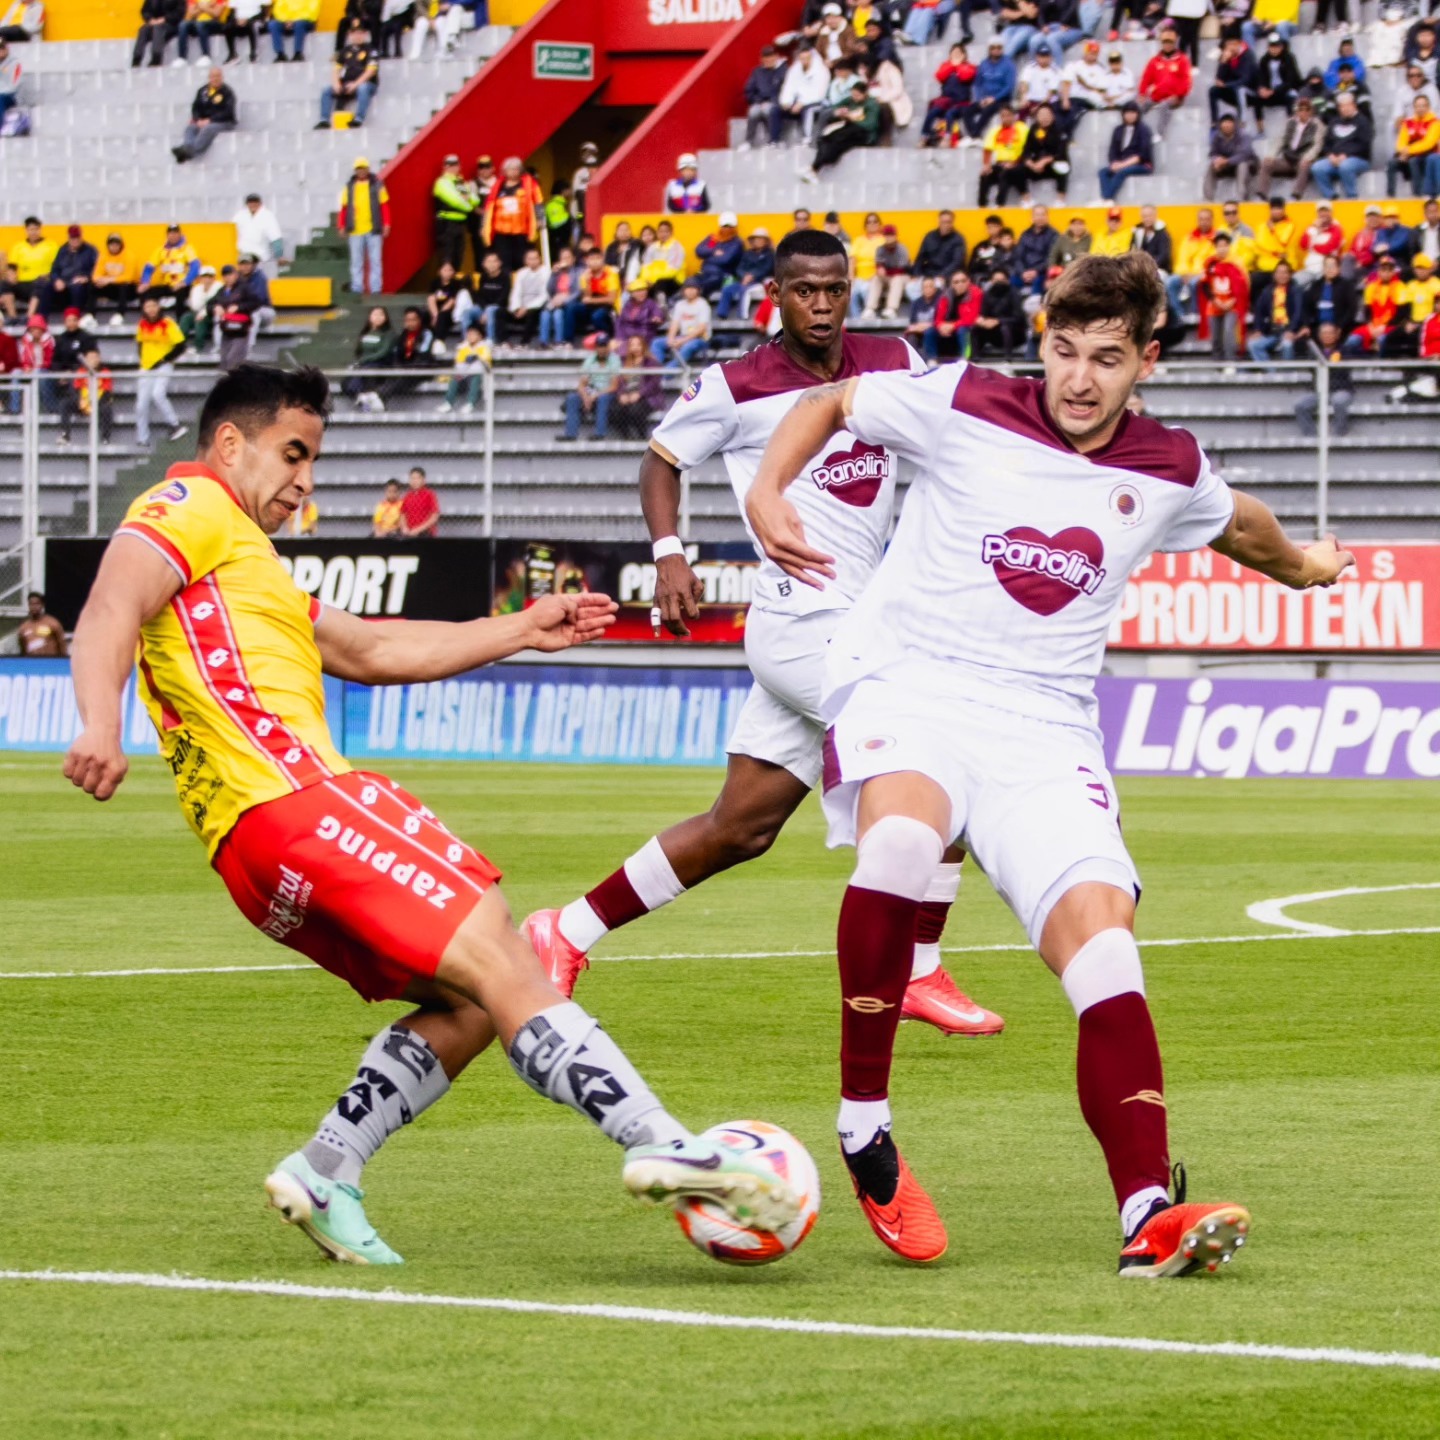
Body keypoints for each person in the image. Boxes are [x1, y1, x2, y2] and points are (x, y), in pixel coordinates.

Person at [64, 364, 798, 1266]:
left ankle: (328, 1167)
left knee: (470, 1003)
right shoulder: (192, 501)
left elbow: (371, 647)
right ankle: (661, 1142)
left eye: (314, 460)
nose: (305, 481)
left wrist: (522, 627)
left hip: (256, 863)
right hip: (297, 800)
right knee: (509, 956)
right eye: (293, 455)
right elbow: (108, 604)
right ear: (229, 443)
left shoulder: (247, 567)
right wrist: (99, 724)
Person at [744, 250, 1353, 1269]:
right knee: (900, 841)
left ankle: (1146, 1214)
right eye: (1064, 351)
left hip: (1046, 727)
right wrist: (769, 489)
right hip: (911, 681)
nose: (1078, 378)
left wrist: (1305, 568)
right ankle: (862, 1122)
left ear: (1145, 361)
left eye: (1106, 359)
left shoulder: (1168, 466)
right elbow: (837, 402)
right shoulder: (963, 397)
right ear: (1043, 345)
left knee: (1108, 950)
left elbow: (1240, 524)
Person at [525, 230, 1000, 1041]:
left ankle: (562, 932)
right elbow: (661, 458)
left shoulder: (894, 360)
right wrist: (670, 554)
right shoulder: (736, 384)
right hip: (800, 621)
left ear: (852, 290)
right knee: (942, 751)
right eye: (804, 290)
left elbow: (952, 439)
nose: (821, 305)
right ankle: (918, 971)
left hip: (864, 619)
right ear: (774, 295)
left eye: (834, 289)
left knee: (738, 827)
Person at [134, 293, 189, 448]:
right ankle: (142, 438)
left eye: (153, 305)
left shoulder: (168, 323)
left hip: (163, 365)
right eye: (147, 306)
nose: (151, 309)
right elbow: (139, 344)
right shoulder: (142, 324)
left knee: (158, 393)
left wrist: (165, 359)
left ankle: (175, 424)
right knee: (141, 405)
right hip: (146, 367)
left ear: (159, 307)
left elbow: (181, 345)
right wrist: (145, 360)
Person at [805, 76, 881, 176]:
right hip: (850, 128)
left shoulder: (872, 104)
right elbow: (836, 106)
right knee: (826, 140)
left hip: (863, 133)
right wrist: (838, 112)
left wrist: (851, 117)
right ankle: (815, 168)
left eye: (857, 95)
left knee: (839, 139)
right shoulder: (850, 100)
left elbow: (871, 125)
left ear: (864, 94)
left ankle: (814, 168)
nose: (854, 98)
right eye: (853, 95)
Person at [1253, 94, 1324, 201]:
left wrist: (1307, 157)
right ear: (1297, 111)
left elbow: (1317, 145)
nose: (1303, 112)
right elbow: (1280, 140)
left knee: (1305, 165)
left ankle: (1296, 195)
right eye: (1301, 109)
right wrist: (1271, 155)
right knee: (1266, 163)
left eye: (1307, 109)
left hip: (1303, 159)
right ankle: (1262, 194)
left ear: (1311, 111)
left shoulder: (1317, 125)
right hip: (1288, 158)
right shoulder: (1290, 122)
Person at [557, 333, 621, 441]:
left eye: (604, 346)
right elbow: (582, 384)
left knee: (603, 399)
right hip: (592, 391)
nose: (602, 349)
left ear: (608, 347)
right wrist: (586, 396)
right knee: (572, 398)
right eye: (600, 346)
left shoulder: (615, 359)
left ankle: (599, 434)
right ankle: (570, 434)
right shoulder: (590, 359)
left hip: (607, 392)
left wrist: (595, 395)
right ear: (596, 347)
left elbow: (614, 386)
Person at [339, 158, 389, 296]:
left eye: (363, 168)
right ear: (355, 170)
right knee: (356, 261)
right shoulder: (349, 186)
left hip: (374, 229)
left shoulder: (377, 185)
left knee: (375, 261)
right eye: (358, 168)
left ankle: (376, 288)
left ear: (368, 169)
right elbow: (344, 207)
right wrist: (341, 225)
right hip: (355, 229)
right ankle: (357, 287)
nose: (361, 171)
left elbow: (384, 206)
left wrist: (386, 224)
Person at [1311, 92, 1372, 200]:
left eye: (1347, 105)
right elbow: (1326, 143)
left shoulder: (1363, 121)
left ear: (1354, 105)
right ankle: (1330, 196)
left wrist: (1346, 155)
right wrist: (1330, 155)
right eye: (1341, 106)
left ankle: (1352, 196)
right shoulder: (1334, 121)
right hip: (1334, 159)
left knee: (1346, 166)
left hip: (1358, 159)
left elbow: (1364, 144)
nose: (1345, 108)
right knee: (1317, 168)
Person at [1295, 323, 1354, 435]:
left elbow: (1344, 370)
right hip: (1319, 391)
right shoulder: (1314, 352)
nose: (1327, 336)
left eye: (1330, 333)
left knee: (1339, 402)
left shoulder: (1345, 350)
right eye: (1324, 333)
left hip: (1340, 389)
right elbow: (1310, 368)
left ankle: (1339, 435)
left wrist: (1331, 364)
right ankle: (1312, 437)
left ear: (1337, 335)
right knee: (1300, 405)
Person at [317, 23, 379, 128]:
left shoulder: (371, 50)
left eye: (360, 33)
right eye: (354, 33)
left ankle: (358, 119)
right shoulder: (344, 51)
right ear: (350, 35)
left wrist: (355, 84)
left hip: (365, 84)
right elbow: (336, 69)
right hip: (346, 83)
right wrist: (336, 83)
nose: (357, 36)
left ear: (365, 35)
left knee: (363, 88)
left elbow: (370, 71)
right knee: (327, 90)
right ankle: (324, 120)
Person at [173, 65, 237, 163]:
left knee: (209, 128)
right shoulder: (202, 91)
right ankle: (188, 148)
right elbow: (196, 107)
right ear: (209, 78)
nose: (215, 79)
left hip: (224, 122)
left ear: (222, 77)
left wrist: (210, 120)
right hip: (204, 121)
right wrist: (197, 119)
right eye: (213, 76)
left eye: (218, 76)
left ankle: (188, 151)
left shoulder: (227, 92)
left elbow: (228, 112)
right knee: (191, 128)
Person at [1137, 25, 1190, 138]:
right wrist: (1142, 93)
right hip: (1157, 96)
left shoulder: (1182, 60)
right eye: (1165, 42)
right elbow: (1146, 78)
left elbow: (1186, 81)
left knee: (1164, 106)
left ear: (1174, 42)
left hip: (1175, 98)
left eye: (1170, 42)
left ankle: (1160, 133)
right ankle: (1136, 131)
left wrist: (1179, 95)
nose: (1167, 45)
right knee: (1139, 107)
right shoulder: (1155, 61)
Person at [36, 224, 97, 320]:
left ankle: (75, 318)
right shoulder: (62, 250)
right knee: (47, 286)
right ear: (69, 238)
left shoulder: (90, 251)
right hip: (63, 283)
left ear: (81, 237)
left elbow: (96, 269)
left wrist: (86, 277)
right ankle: (42, 318)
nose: (75, 240)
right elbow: (54, 269)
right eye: (73, 238)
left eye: (77, 237)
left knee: (78, 288)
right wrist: (57, 280)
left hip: (80, 284)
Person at [775, 39, 829, 145]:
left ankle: (807, 138)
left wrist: (802, 103)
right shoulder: (794, 69)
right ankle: (774, 140)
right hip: (796, 102)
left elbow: (819, 93)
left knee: (808, 110)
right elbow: (788, 86)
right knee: (775, 110)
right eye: (802, 59)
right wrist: (786, 101)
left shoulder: (822, 71)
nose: (804, 61)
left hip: (816, 102)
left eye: (807, 58)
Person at [1246, 258, 1299, 364]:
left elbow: (1298, 312)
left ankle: (1286, 374)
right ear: (1274, 275)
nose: (1282, 275)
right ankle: (1272, 373)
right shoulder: (1267, 291)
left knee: (1287, 344)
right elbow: (1259, 312)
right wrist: (1258, 330)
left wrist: (1292, 330)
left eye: (1285, 272)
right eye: (1279, 272)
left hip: (1288, 330)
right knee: (1252, 344)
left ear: (1290, 275)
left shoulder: (1296, 291)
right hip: (1272, 332)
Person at [651, 277, 711, 368]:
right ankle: (656, 369)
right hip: (683, 336)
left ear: (698, 290)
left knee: (687, 347)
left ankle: (665, 374)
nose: (690, 291)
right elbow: (675, 324)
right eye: (688, 288)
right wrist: (670, 338)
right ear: (683, 290)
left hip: (700, 339)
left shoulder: (702, 304)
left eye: (693, 288)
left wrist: (682, 341)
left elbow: (701, 329)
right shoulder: (680, 304)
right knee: (656, 343)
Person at [431, 153, 477, 272]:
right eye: (449, 165)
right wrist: (469, 206)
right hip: (446, 224)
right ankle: (444, 287)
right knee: (447, 257)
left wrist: (467, 201)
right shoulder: (442, 182)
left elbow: (475, 199)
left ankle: (455, 284)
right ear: (444, 167)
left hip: (460, 224)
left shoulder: (459, 182)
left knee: (458, 256)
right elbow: (456, 201)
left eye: (455, 165)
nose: (453, 168)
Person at [611, 333, 662, 439]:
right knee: (615, 410)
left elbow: (653, 384)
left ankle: (642, 436)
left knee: (635, 410)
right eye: (632, 345)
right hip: (628, 394)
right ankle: (626, 436)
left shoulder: (651, 362)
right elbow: (620, 382)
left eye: (638, 345)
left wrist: (639, 394)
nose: (635, 348)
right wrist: (622, 394)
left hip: (647, 397)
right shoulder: (624, 362)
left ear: (643, 346)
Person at [1389, 93, 1440, 199]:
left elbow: (1428, 143)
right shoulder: (1408, 123)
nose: (1420, 109)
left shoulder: (1435, 123)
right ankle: (1390, 195)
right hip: (1409, 154)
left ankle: (1417, 195)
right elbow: (1400, 142)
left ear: (1428, 107)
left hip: (1427, 154)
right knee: (1391, 163)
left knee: (1414, 161)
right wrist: (1403, 151)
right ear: (1414, 108)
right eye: (1418, 106)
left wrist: (1409, 151)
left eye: (1423, 106)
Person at [138, 223, 201, 310]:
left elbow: (195, 267)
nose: (173, 236)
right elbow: (149, 268)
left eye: (175, 233)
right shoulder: (160, 250)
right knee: (145, 292)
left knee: (181, 293)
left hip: (182, 285)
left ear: (180, 234)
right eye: (171, 233)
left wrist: (184, 282)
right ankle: (148, 320)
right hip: (166, 285)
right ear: (167, 235)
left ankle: (180, 321)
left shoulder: (187, 249)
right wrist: (145, 281)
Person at [717, 228, 776, 321]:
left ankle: (742, 315)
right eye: (756, 239)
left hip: (759, 282)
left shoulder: (770, 254)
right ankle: (722, 313)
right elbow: (739, 268)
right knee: (727, 289)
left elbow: (766, 269)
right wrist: (744, 276)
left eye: (761, 239)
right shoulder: (748, 253)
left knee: (744, 291)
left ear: (766, 241)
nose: (758, 241)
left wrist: (752, 276)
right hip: (743, 280)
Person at [978, 103, 1030, 206]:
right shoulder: (995, 130)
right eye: (1003, 116)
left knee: (1005, 173)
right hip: (1000, 163)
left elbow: (1027, 149)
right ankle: (982, 206)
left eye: (1008, 115)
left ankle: (1000, 204)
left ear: (1014, 116)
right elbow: (988, 149)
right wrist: (986, 165)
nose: (1005, 118)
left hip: (1018, 163)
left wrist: (1014, 162)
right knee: (985, 175)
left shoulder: (1022, 128)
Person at [1203, 112, 1257, 201]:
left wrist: (1227, 161)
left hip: (1248, 164)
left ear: (1234, 124)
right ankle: (1208, 199)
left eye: (1229, 123)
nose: (1226, 125)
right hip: (1227, 165)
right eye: (1224, 123)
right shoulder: (1217, 137)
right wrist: (1216, 160)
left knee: (1242, 165)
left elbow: (1245, 154)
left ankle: (1241, 198)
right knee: (1211, 166)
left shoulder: (1244, 136)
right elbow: (1212, 153)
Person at [742, 43, 787, 150]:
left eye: (770, 58)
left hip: (776, 102)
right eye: (765, 58)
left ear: (776, 57)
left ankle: (775, 139)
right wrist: (757, 101)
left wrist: (772, 101)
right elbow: (749, 90)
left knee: (769, 110)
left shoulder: (783, 70)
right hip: (759, 101)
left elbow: (785, 90)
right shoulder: (757, 72)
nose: (768, 61)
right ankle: (748, 141)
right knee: (753, 111)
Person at [972, 267, 1025, 356]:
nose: (999, 283)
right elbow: (983, 313)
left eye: (1002, 280)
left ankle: (1008, 358)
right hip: (993, 332)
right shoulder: (988, 294)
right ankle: (975, 358)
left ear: (1008, 281)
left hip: (1014, 332)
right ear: (991, 281)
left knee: (1005, 328)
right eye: (996, 280)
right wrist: (982, 321)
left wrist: (998, 321)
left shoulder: (1014, 293)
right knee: (975, 328)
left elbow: (1018, 317)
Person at [438, 322, 489, 414]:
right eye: (469, 333)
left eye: (474, 334)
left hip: (478, 375)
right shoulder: (462, 347)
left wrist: (474, 358)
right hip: (464, 374)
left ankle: (470, 403)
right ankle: (448, 403)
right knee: (455, 378)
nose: (470, 336)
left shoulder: (484, 347)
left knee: (476, 378)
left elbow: (484, 362)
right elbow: (459, 363)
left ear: (480, 336)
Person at [863, 224, 910, 320]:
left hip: (903, 277)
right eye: (886, 235)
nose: (888, 238)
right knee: (876, 278)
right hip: (888, 277)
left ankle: (891, 309)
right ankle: (870, 309)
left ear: (895, 236)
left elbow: (902, 269)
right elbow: (878, 264)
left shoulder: (902, 249)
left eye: (891, 235)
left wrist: (885, 271)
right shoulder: (880, 249)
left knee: (897, 279)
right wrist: (879, 269)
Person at [931, 268, 981, 360]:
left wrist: (953, 325)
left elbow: (971, 318)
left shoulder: (975, 293)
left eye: (963, 281)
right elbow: (937, 319)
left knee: (963, 330)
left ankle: (965, 358)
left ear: (969, 281)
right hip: (948, 327)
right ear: (952, 284)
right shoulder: (945, 295)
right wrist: (941, 326)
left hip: (966, 326)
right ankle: (931, 359)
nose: (960, 284)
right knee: (930, 332)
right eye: (956, 282)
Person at [1208, 35, 1257, 127]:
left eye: (1233, 44)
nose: (1231, 47)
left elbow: (1246, 79)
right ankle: (1214, 122)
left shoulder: (1248, 55)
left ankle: (1242, 122)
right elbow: (1219, 78)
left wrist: (1226, 85)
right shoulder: (1228, 57)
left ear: (1239, 44)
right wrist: (1224, 61)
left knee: (1240, 90)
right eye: (1228, 45)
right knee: (1213, 91)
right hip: (1232, 88)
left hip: (1250, 91)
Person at [506, 245, 549, 348]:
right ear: (525, 260)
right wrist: (516, 308)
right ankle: (503, 342)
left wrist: (526, 308)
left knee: (532, 313)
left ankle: (524, 342)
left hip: (537, 307)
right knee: (499, 312)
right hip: (521, 307)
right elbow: (516, 292)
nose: (533, 261)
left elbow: (544, 295)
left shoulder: (546, 272)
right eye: (530, 259)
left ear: (540, 259)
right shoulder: (521, 273)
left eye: (535, 258)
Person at [91, 234, 138, 328]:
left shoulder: (129, 256)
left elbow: (128, 277)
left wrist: (109, 280)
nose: (114, 247)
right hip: (112, 288)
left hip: (130, 289)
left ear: (121, 245)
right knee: (92, 285)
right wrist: (100, 280)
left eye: (117, 244)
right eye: (111, 244)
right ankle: (90, 315)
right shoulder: (103, 256)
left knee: (123, 285)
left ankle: (120, 314)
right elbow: (95, 275)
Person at [694, 213, 744, 300]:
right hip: (706, 272)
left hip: (723, 275)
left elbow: (725, 260)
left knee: (707, 283)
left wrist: (707, 258)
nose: (727, 229)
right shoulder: (714, 239)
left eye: (730, 226)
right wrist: (713, 251)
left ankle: (698, 299)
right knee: (691, 281)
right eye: (724, 226)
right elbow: (699, 251)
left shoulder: (736, 243)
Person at [233, 194, 284, 278]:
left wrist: (279, 255)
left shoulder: (267, 216)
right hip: (242, 256)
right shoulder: (240, 215)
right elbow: (232, 231)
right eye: (250, 202)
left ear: (260, 203)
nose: (252, 205)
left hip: (260, 257)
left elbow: (276, 236)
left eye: (255, 202)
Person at [133, 0, 183, 67]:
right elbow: (145, 11)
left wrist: (165, 19)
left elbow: (179, 13)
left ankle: (156, 58)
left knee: (158, 28)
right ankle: (137, 58)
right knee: (143, 30)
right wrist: (150, 19)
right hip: (155, 23)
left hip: (171, 24)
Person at [17, 591, 66, 656]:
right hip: (31, 664)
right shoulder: (23, 627)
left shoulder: (53, 623)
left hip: (50, 663)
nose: (34, 607)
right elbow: (22, 650)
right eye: (31, 604)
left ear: (42, 605)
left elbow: (62, 645)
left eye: (37, 604)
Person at [1130, 202, 1171, 272]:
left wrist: (1149, 267)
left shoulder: (1162, 233)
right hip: (1140, 269)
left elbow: (1163, 256)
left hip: (1159, 269)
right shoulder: (1137, 232)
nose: (1147, 219)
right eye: (1144, 216)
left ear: (1155, 216)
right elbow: (1131, 251)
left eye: (1150, 216)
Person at [400, 463, 440, 535]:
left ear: (423, 480)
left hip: (425, 532)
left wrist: (419, 529)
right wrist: (404, 527)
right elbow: (402, 514)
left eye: (417, 478)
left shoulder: (430, 494)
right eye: (412, 478)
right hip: (410, 532)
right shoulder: (407, 496)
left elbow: (435, 516)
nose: (414, 481)